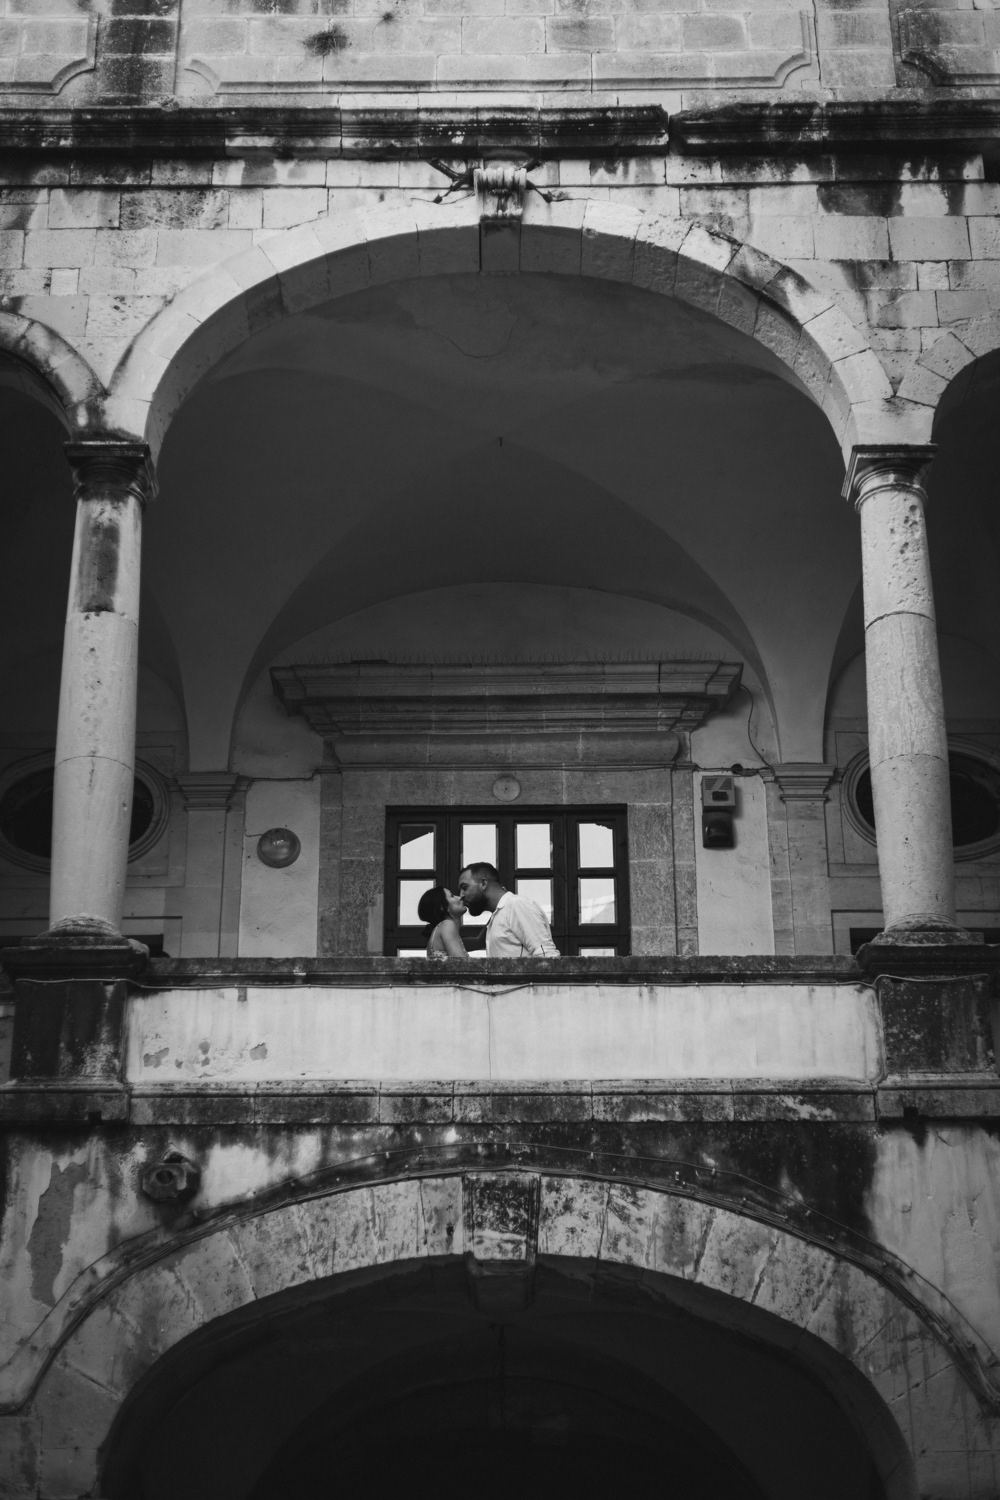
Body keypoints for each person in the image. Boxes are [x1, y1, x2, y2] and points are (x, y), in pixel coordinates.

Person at [457, 862, 560, 958]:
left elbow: (546, 954)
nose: (461, 895)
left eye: (465, 887)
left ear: (483, 883)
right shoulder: (497, 915)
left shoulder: (517, 904)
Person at [417, 885, 469, 960]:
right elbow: (461, 963)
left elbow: (478, 941)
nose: (459, 897)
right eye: (452, 896)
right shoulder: (447, 925)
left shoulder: (441, 929)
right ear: (443, 907)